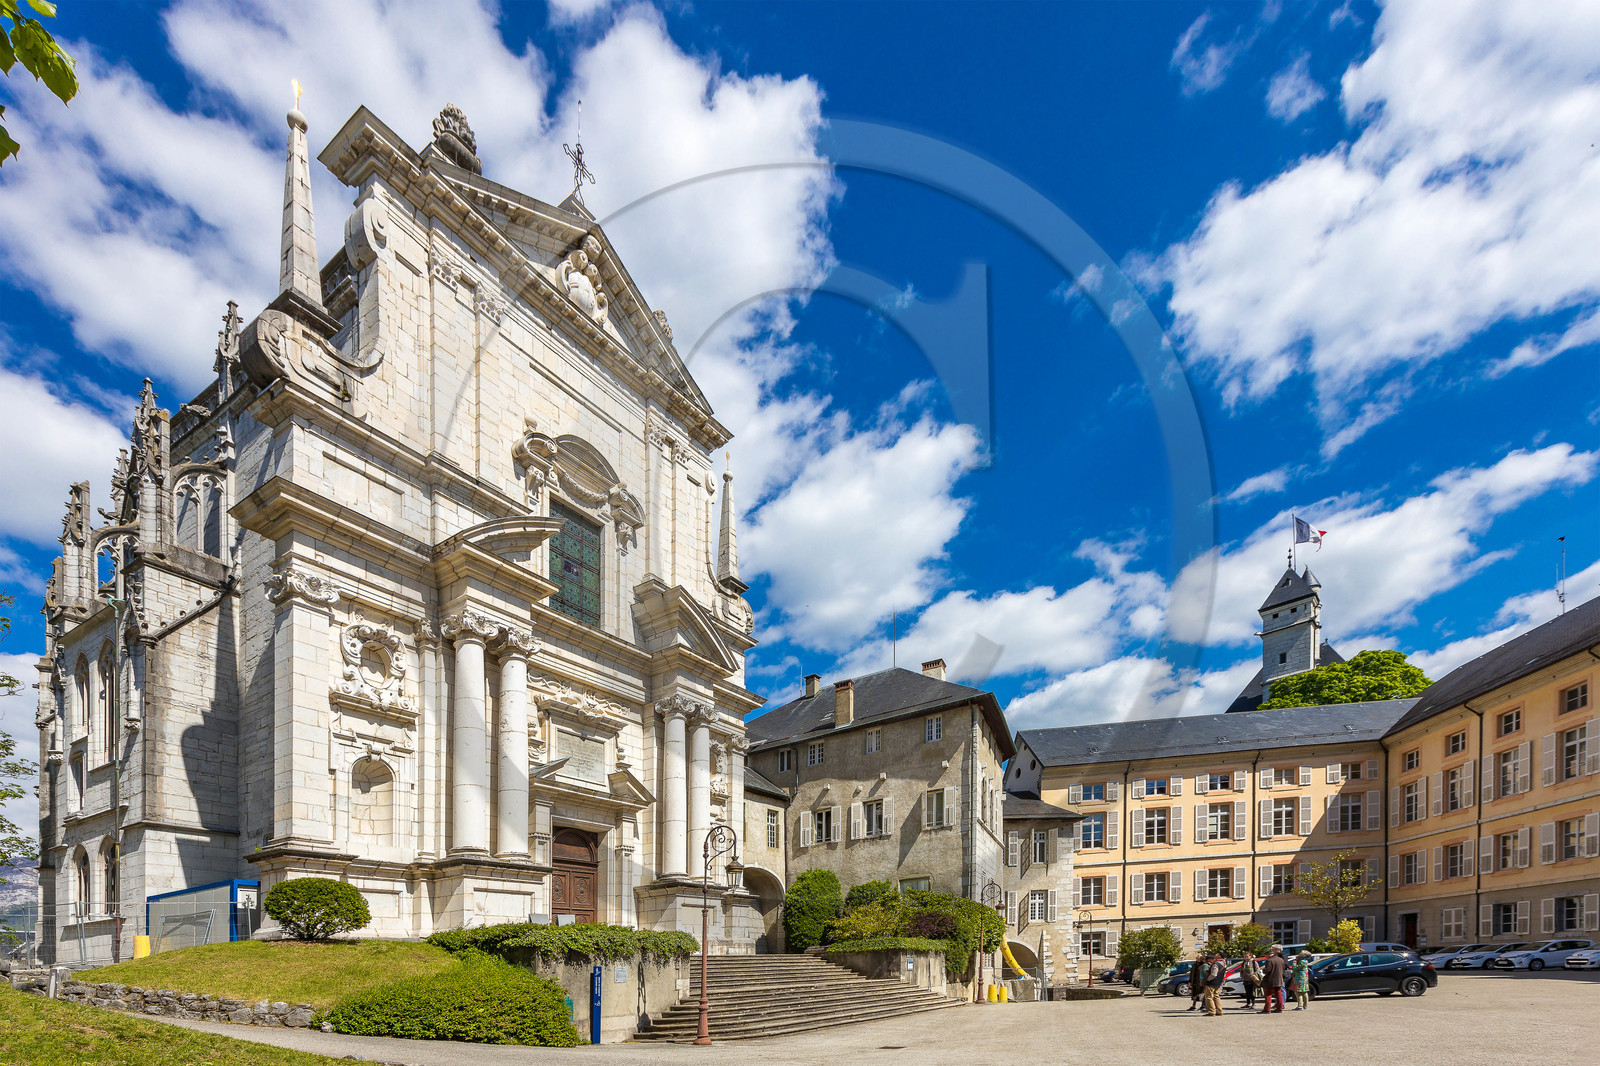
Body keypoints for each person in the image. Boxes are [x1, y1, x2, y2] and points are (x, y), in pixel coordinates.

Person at [1260, 945, 1286, 1014]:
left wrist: (1263, 970)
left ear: (1268, 955)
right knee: (1279, 994)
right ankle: (1279, 1008)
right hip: (1279, 979)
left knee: (1268, 995)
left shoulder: (1269, 960)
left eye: (1265, 955)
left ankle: (1267, 1009)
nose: (1265, 957)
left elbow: (1268, 970)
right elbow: (1283, 969)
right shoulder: (1281, 960)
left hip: (1270, 980)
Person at [1203, 952, 1226, 1017]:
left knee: (1209, 997)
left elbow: (1213, 974)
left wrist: (1207, 979)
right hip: (1218, 982)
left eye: (1217, 954)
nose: (1215, 955)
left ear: (1219, 956)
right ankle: (1219, 1010)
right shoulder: (1224, 964)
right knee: (1216, 996)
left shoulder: (1216, 964)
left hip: (1212, 982)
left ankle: (1211, 1011)